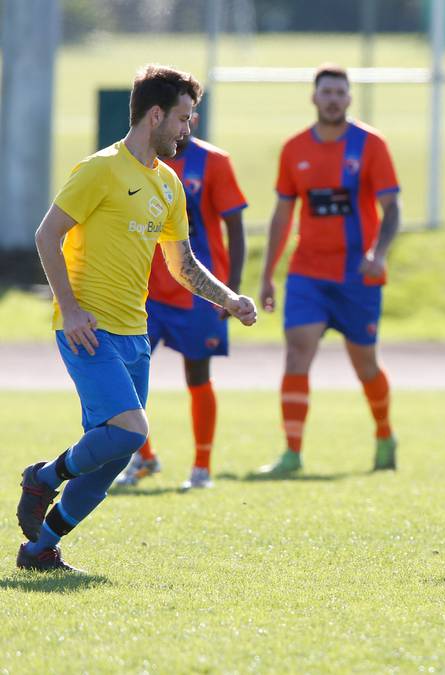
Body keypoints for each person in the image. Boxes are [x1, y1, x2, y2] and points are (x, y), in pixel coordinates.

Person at [16, 64, 257, 572]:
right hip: (88, 330)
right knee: (130, 431)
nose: (188, 129)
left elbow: (183, 264)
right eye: (184, 118)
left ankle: (39, 551)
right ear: (155, 115)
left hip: (134, 335)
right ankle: (42, 476)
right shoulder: (99, 170)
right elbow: (46, 236)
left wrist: (230, 299)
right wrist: (72, 308)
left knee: (113, 458)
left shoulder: (169, 184)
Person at [257, 64, 401, 476]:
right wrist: (268, 273)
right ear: (314, 97)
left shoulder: (370, 145)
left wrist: (378, 251)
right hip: (308, 274)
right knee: (297, 353)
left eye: (340, 92)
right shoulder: (294, 149)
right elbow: (283, 215)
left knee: (365, 365)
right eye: (327, 92)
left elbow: (393, 208)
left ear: (349, 99)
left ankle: (385, 434)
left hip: (359, 276)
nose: (334, 99)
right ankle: (292, 453)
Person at [115, 110, 248, 491]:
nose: (182, 124)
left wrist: (231, 290)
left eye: (188, 115)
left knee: (198, 375)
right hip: (146, 291)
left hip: (198, 294)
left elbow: (235, 227)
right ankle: (145, 457)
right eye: (176, 115)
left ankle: (202, 467)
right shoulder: (136, 162)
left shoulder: (214, 162)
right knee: (125, 374)